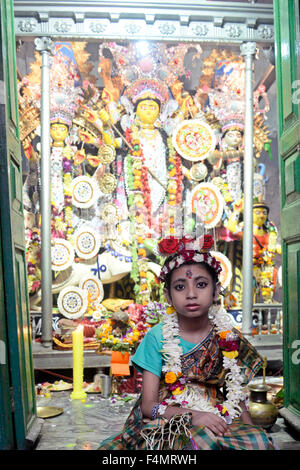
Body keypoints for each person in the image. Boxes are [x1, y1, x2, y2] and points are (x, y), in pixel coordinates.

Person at [99, 234, 274, 450]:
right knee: (200, 441)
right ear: (168, 295)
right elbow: (148, 406)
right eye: (180, 287)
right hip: (169, 418)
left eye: (201, 284)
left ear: (216, 290)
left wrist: (252, 432)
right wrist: (194, 416)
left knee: (259, 441)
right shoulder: (157, 337)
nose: (191, 294)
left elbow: (235, 394)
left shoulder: (228, 337)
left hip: (218, 416)